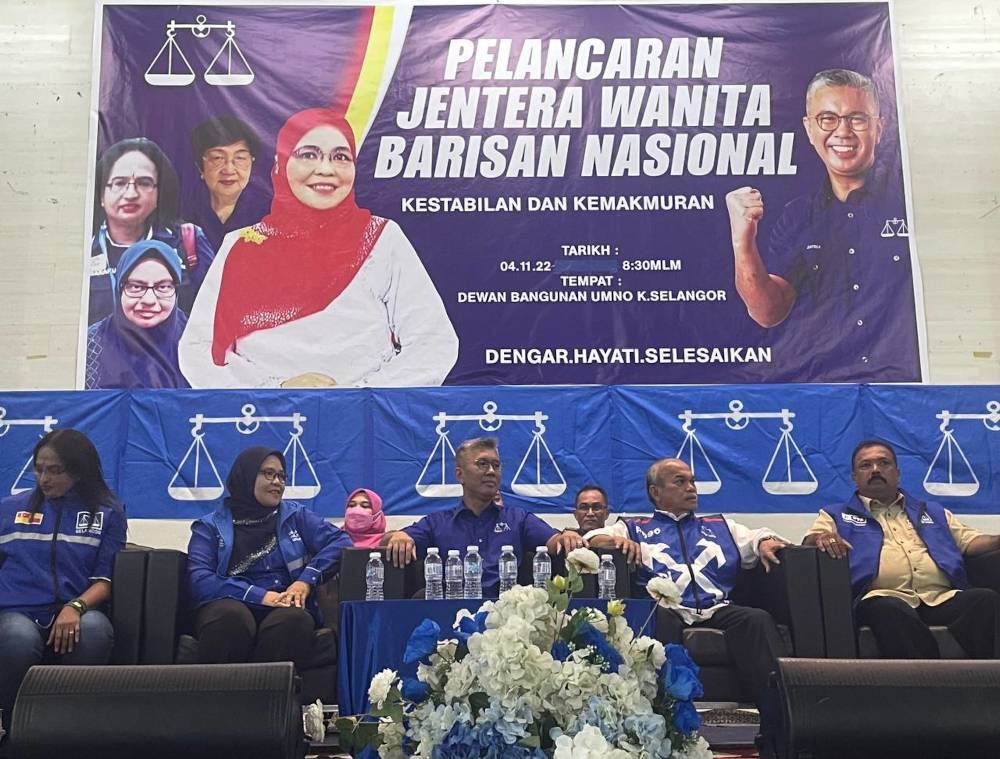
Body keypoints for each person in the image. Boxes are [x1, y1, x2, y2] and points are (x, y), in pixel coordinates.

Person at [178, 108, 459, 388]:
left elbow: (433, 342)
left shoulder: (382, 238)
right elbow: (198, 349)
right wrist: (276, 390)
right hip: (269, 412)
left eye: (340, 157)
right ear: (281, 164)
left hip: (366, 410)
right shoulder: (241, 245)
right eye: (309, 155)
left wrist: (358, 395)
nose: (326, 169)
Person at [725, 68, 918, 381]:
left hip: (903, 386)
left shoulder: (912, 201)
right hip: (825, 390)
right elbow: (769, 312)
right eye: (828, 119)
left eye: (857, 119)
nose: (843, 132)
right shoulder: (798, 216)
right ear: (809, 129)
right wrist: (742, 241)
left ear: (879, 128)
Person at [585, 457, 789, 753]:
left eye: (692, 481)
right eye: (680, 482)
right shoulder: (635, 527)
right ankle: (664, 730)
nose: (691, 488)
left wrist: (766, 541)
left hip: (717, 608)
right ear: (655, 492)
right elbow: (592, 537)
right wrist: (613, 542)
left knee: (756, 619)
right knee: (659, 619)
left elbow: (756, 537)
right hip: (668, 608)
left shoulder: (720, 526)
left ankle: (780, 726)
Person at [804, 439, 1000, 659]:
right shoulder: (836, 514)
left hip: (939, 596)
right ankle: (928, 676)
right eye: (866, 465)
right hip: (882, 598)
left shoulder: (932, 512)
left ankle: (987, 678)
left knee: (985, 600)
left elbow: (972, 542)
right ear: (854, 477)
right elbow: (811, 540)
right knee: (889, 610)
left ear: (897, 473)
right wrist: (823, 537)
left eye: (884, 463)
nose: (875, 470)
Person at [0, 429, 127, 728]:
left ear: (79, 471)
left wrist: (76, 607)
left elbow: (106, 580)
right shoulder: (8, 510)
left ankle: (74, 727)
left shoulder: (108, 513)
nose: (44, 479)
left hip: (79, 608)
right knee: (17, 637)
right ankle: (13, 724)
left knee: (94, 630)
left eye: (55, 471)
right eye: (39, 469)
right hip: (18, 610)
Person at [186, 446, 351, 667]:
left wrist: (305, 581)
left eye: (282, 476)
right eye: (269, 474)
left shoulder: (295, 516)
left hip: (284, 603)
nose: (277, 482)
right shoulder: (209, 526)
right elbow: (200, 580)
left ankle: (271, 689)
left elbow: (341, 542)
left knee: (294, 620)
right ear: (246, 476)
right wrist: (260, 596)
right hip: (230, 602)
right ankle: (222, 690)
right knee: (231, 618)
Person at [382, 437, 585, 596]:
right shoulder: (437, 523)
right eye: (482, 464)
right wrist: (397, 536)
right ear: (460, 475)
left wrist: (566, 536)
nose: (491, 471)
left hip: (508, 616)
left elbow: (553, 542)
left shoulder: (518, 519)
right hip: (452, 612)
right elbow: (390, 540)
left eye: (496, 465)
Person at [89, 137, 215, 325]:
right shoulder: (84, 246)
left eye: (144, 183)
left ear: (159, 193)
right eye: (119, 183)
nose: (130, 194)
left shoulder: (188, 241)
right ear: (101, 194)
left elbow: (216, 310)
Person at [85, 239, 190, 388]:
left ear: (176, 291)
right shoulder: (89, 346)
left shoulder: (200, 343)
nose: (149, 300)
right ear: (120, 289)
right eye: (136, 287)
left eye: (163, 287)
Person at [186, 115, 271, 252]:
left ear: (251, 162)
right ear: (200, 167)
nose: (229, 170)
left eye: (240, 158)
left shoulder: (270, 212)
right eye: (217, 158)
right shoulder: (184, 211)